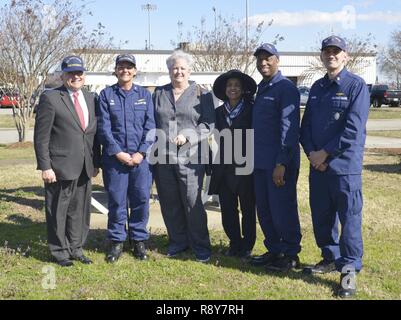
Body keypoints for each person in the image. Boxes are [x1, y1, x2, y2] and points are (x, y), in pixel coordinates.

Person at [300, 35, 370, 298]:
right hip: (318, 167)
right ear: (321, 56)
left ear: (345, 56)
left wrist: (325, 153)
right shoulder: (317, 87)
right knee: (322, 215)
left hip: (344, 167)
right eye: (327, 51)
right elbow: (304, 127)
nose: (331, 54)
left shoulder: (356, 86)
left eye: (336, 51)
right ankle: (330, 257)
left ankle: (349, 269)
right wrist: (312, 154)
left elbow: (353, 128)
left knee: (349, 218)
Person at [34, 56, 100, 267]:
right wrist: (45, 166)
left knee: (80, 210)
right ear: (62, 75)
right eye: (71, 73)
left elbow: (92, 134)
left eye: (79, 73)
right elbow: (41, 136)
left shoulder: (91, 98)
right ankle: (59, 251)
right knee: (58, 210)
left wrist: (95, 162)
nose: (75, 76)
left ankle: (76, 248)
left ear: (84, 75)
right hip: (59, 167)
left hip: (84, 166)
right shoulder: (51, 98)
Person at [151, 50, 215, 263]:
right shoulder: (159, 93)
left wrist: (189, 136)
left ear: (190, 71)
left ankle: (200, 246)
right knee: (169, 202)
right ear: (169, 71)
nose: (178, 72)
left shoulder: (202, 93)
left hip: (192, 157)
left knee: (192, 202)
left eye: (182, 68)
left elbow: (208, 125)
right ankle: (178, 242)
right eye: (174, 68)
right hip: (163, 157)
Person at [96, 54, 155, 263]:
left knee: (141, 200)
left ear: (135, 71)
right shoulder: (105, 95)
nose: (125, 70)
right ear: (116, 70)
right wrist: (118, 152)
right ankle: (117, 241)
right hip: (115, 160)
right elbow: (103, 128)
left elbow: (151, 127)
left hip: (141, 160)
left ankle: (138, 240)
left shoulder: (145, 95)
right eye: (121, 67)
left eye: (129, 67)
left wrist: (140, 153)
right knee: (117, 201)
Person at [250, 43, 302, 272]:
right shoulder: (262, 88)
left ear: (277, 60)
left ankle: (290, 255)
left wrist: (281, 163)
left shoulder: (286, 88)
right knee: (265, 209)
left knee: (283, 209)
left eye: (268, 58)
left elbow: (289, 129)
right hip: (260, 162)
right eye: (260, 59)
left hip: (278, 163)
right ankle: (274, 250)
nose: (263, 63)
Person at [208, 69, 257, 258]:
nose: (233, 88)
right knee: (228, 208)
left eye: (237, 85)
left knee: (247, 207)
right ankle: (234, 242)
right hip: (223, 168)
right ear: (224, 89)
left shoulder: (252, 110)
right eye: (229, 85)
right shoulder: (218, 112)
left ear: (243, 89)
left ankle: (247, 245)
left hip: (246, 167)